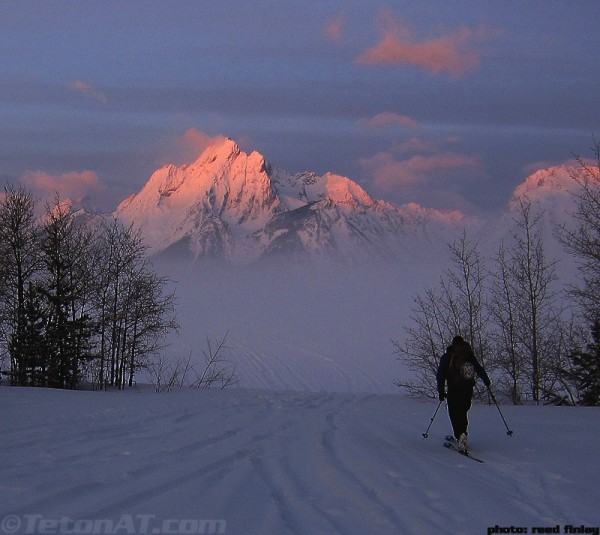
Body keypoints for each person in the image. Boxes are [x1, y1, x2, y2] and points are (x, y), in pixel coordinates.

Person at [436, 335, 490, 452]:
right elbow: (479, 369)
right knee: (463, 411)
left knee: (454, 412)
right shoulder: (469, 355)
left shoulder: (448, 356)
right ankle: (463, 434)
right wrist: (487, 381)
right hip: (467, 388)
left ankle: (459, 435)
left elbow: (440, 375)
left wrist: (441, 391)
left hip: (454, 388)